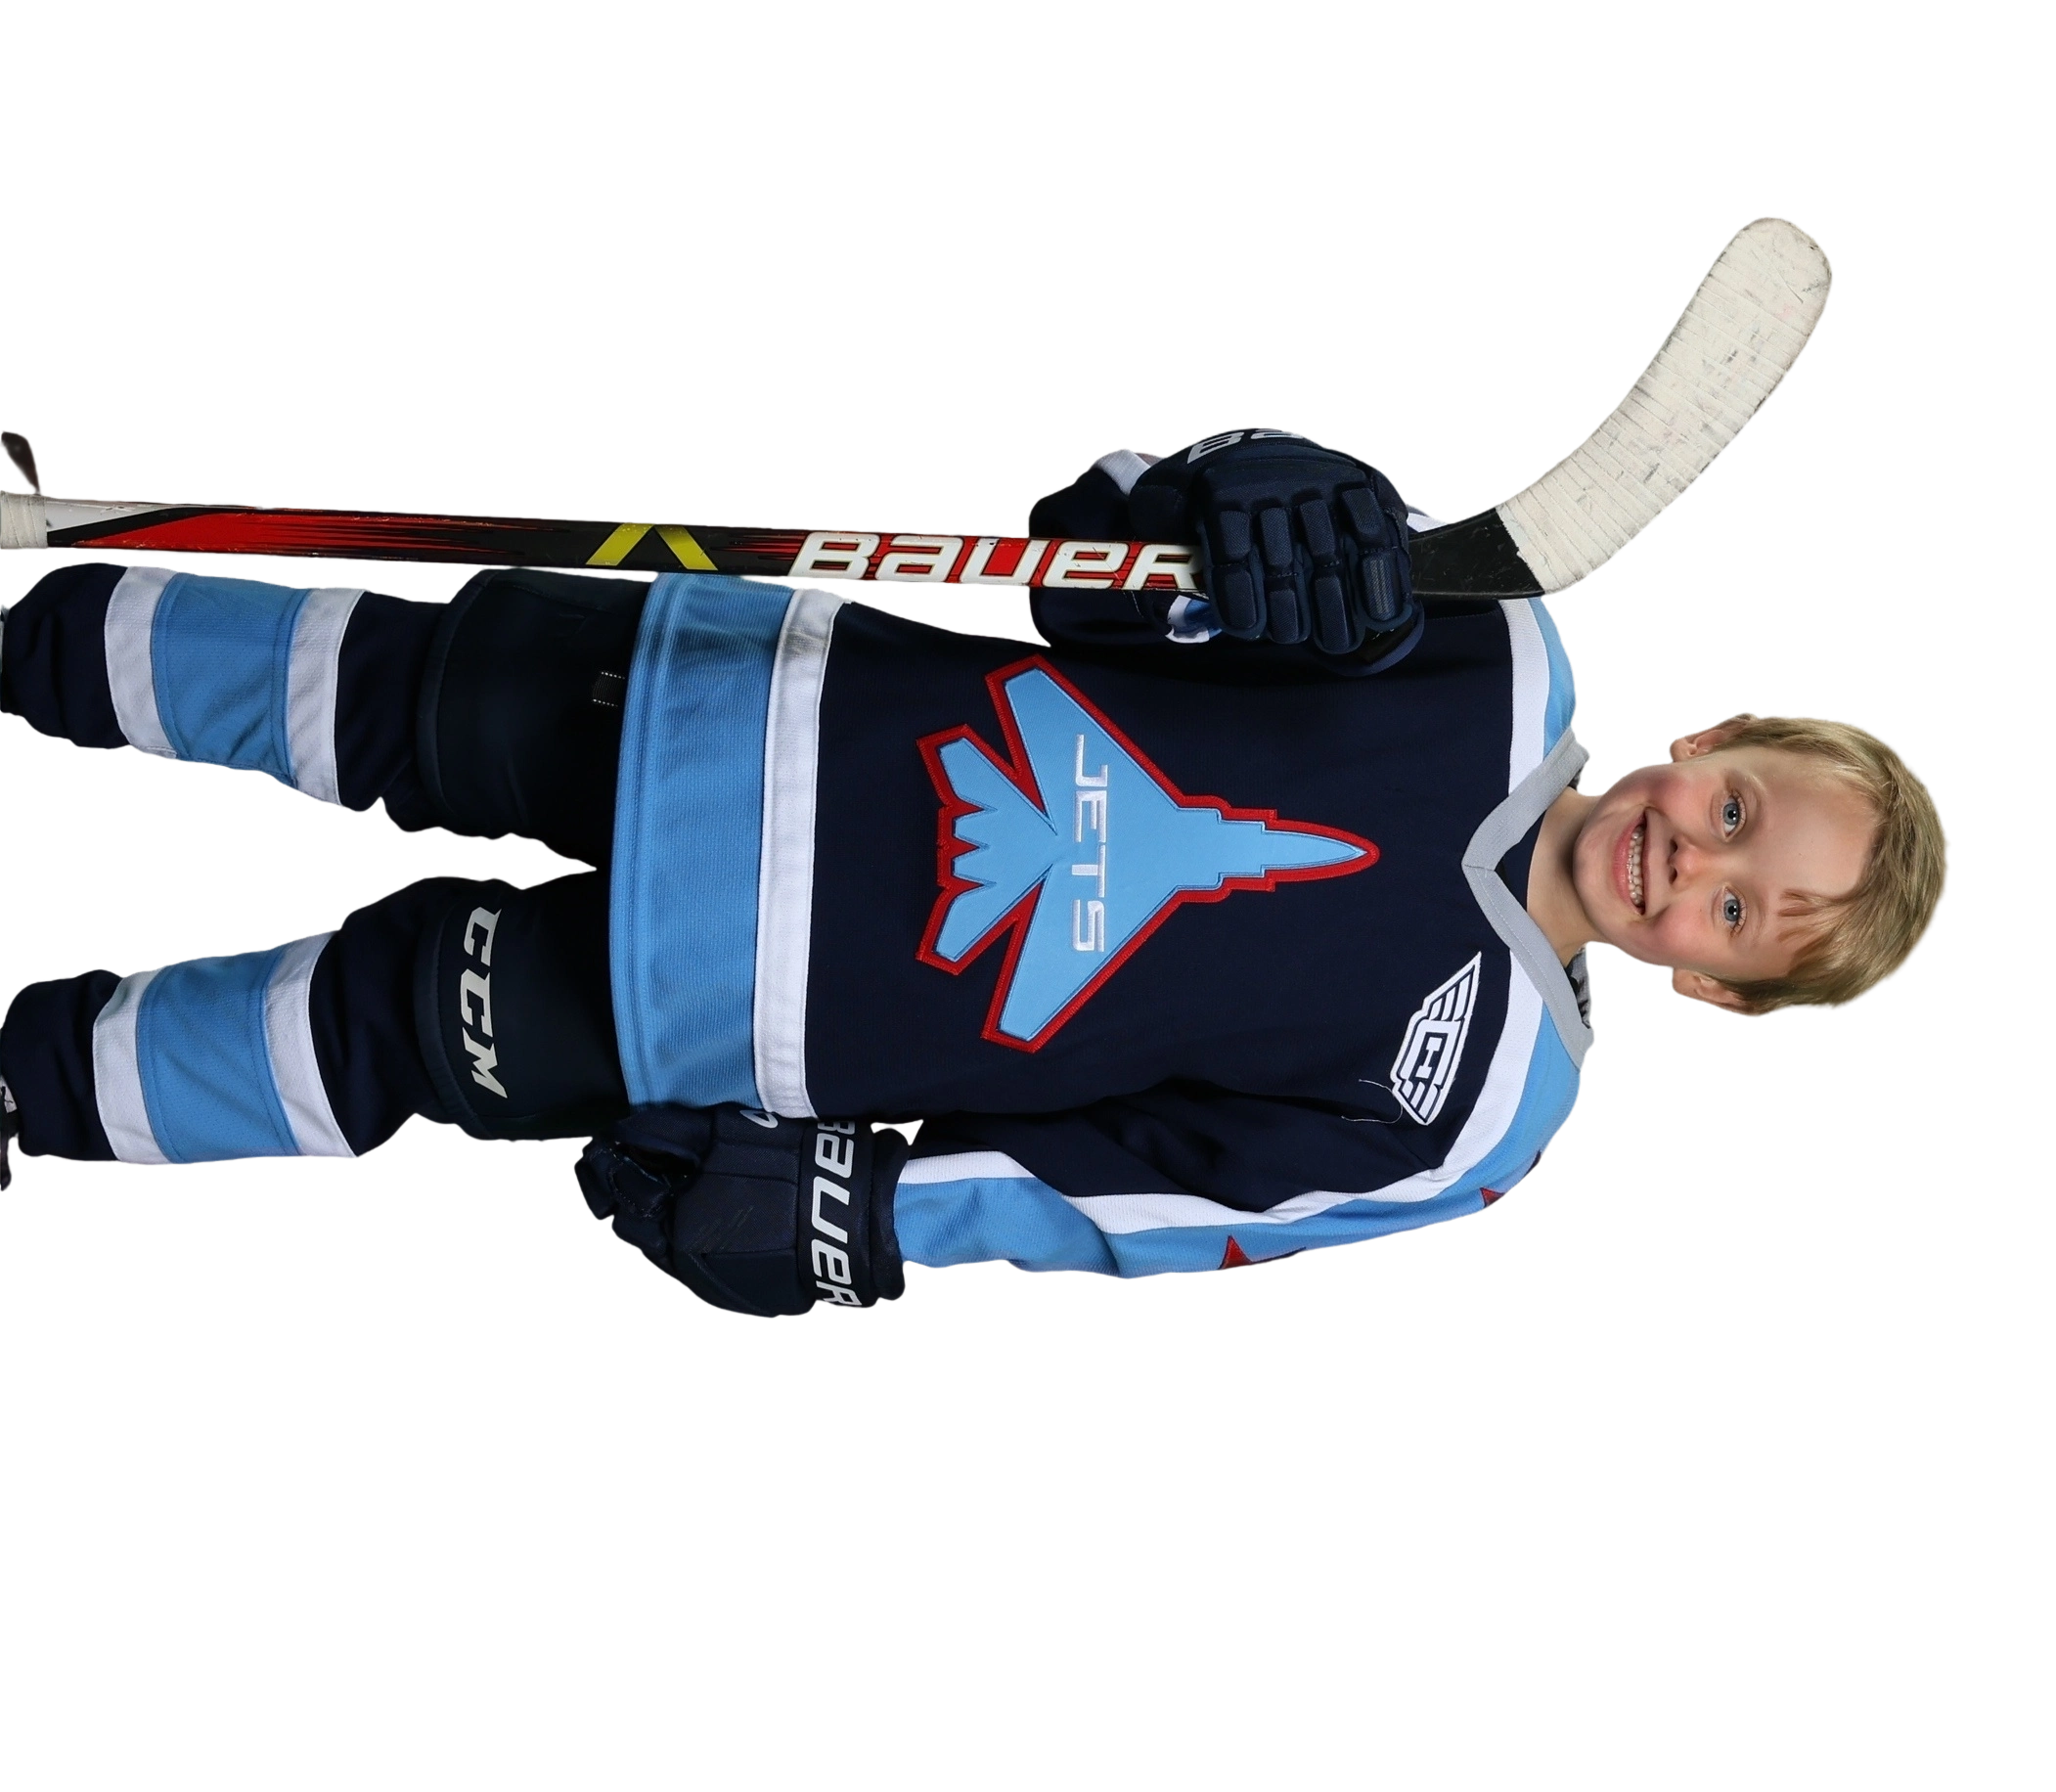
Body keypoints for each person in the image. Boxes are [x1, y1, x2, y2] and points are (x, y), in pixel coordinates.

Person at [0, 429, 1954, 1319]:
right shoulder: (1484, 646)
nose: (1687, 861)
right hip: (729, 704)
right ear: (1716, 739)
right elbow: (1098, 548)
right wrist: (1247, 492)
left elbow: (1138, 1191)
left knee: (363, 1037)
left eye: (1734, 912)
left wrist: (866, 1209)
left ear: (1716, 989)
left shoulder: (1475, 1111)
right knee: (357, 684)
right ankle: (29, 627)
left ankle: (24, 1087)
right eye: (1736, 810)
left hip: (730, 1002)